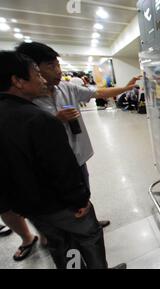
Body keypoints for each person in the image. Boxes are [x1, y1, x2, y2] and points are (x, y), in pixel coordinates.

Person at [0, 51, 116, 269]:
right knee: (89, 238)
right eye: (37, 73)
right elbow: (61, 169)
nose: (43, 79)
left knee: (61, 246)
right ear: (17, 81)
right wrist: (80, 200)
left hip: (32, 208)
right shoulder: (39, 119)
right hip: (60, 205)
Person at [16, 42, 142, 229]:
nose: (58, 71)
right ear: (32, 70)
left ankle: (89, 221)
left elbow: (97, 92)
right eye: (50, 67)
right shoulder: (24, 101)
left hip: (76, 155)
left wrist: (125, 88)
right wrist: (56, 120)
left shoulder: (66, 88)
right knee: (58, 200)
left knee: (83, 189)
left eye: (57, 65)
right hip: (49, 163)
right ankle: (63, 232)